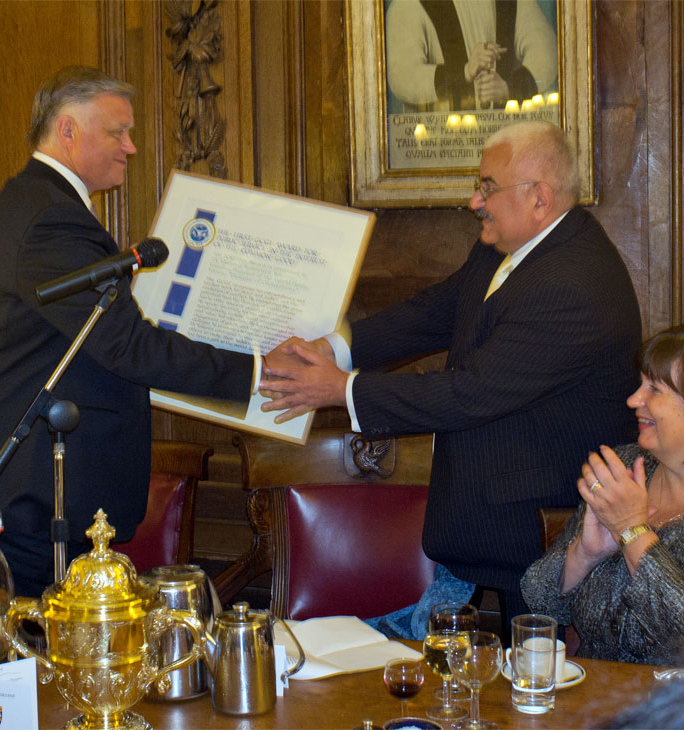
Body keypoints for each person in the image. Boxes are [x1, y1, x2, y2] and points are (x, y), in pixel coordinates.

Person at [260, 120, 642, 637]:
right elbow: (433, 312)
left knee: (529, 697)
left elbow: (471, 391)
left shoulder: (574, 284)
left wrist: (340, 388)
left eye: (487, 187)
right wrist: (329, 348)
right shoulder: (508, 246)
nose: (474, 201)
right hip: (489, 521)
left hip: (541, 535)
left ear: (540, 199)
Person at [0, 66, 271, 596]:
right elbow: (125, 345)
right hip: (28, 493)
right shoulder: (51, 220)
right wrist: (260, 371)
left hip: (23, 487)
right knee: (27, 668)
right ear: (68, 131)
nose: (131, 147)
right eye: (117, 131)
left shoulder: (34, 204)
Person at [521, 324, 684, 666]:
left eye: (654, 389)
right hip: (592, 703)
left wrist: (633, 531)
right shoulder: (625, 469)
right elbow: (538, 599)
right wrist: (584, 554)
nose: (634, 400)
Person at [385, 0, 557, 111]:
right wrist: (464, 72)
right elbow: (402, 76)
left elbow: (548, 53)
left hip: (506, 139)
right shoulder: (408, 5)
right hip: (439, 143)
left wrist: (508, 88)